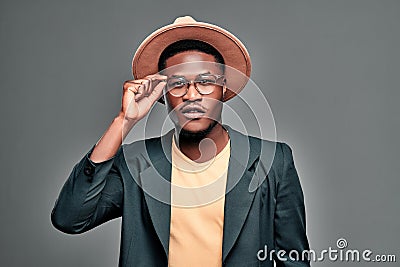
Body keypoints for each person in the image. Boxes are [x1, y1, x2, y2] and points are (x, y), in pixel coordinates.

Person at [51, 16, 310, 267]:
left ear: (223, 88)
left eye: (206, 82)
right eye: (178, 84)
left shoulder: (274, 160)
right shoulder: (137, 163)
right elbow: (69, 218)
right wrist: (123, 121)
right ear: (162, 95)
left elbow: (294, 258)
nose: (192, 95)